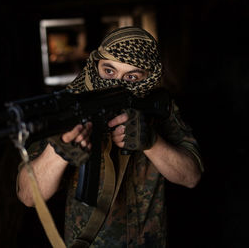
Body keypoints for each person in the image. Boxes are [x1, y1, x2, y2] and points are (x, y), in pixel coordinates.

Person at [16, 26, 204, 247]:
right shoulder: (70, 109)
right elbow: (28, 196)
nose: (116, 84)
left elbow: (191, 177)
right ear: (96, 65)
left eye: (132, 76)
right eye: (109, 71)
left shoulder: (159, 110)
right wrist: (59, 151)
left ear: (149, 79)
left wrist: (152, 142)